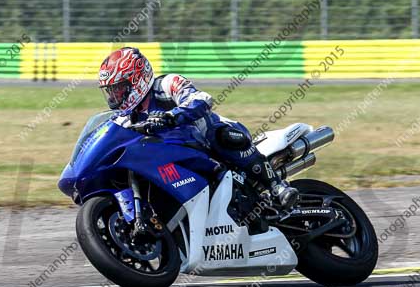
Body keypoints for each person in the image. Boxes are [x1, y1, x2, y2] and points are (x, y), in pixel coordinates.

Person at [98, 46, 299, 210]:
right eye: (111, 91)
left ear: (137, 79)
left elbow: (201, 99)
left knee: (222, 136)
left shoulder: (167, 84)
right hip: (172, 155)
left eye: (118, 88)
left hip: (204, 139)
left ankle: (276, 186)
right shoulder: (126, 116)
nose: (114, 96)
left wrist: (172, 116)